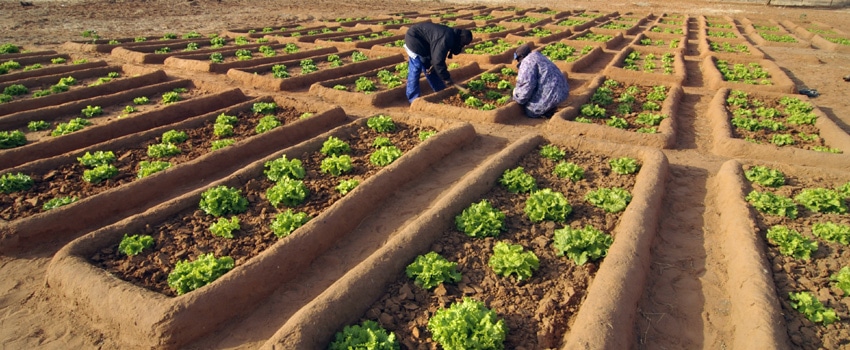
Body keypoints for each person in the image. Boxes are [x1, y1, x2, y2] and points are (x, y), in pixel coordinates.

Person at [403, 22, 473, 103]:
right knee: (416, 67)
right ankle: (413, 98)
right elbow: (438, 61)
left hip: (425, 43)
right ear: (460, 39)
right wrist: (446, 78)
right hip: (414, 39)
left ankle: (440, 91)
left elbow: (438, 56)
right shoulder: (446, 38)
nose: (462, 46)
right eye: (462, 44)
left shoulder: (452, 36)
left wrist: (433, 64)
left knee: (431, 68)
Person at [511, 43, 570, 118]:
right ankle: (550, 106)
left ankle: (547, 111)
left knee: (531, 111)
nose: (518, 61)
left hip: (552, 93)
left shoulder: (527, 62)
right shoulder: (538, 56)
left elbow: (527, 85)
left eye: (518, 59)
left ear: (522, 56)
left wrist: (516, 97)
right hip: (562, 91)